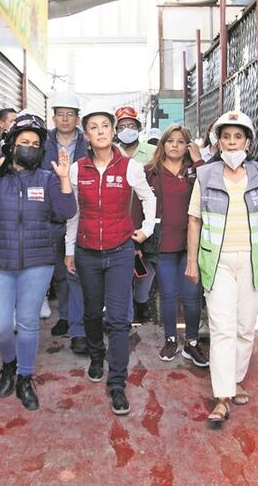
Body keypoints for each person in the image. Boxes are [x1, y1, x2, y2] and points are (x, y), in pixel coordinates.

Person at [0, 113, 76, 410]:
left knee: (27, 323)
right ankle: (9, 364)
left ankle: (25, 376)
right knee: (0, 326)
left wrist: (65, 180)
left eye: (35, 143)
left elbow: (66, 212)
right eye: (23, 141)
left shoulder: (48, 178)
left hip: (38, 262)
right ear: (12, 144)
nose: (29, 147)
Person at [187, 111, 258, 423]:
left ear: (247, 141)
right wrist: (192, 261)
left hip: (255, 259)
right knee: (222, 328)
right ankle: (223, 396)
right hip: (217, 261)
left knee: (245, 327)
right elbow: (194, 220)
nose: (232, 143)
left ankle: (236, 378)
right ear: (218, 143)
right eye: (226, 138)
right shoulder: (205, 175)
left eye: (237, 137)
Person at [65, 104, 156, 416]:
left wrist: (146, 229)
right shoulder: (77, 169)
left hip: (120, 251)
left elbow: (149, 197)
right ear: (86, 134)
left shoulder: (130, 166)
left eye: (105, 125)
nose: (101, 131)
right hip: (87, 251)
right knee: (92, 313)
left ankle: (117, 383)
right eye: (94, 127)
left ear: (113, 131)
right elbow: (73, 214)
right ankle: (95, 355)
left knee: (118, 319)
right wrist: (68, 249)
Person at [144, 125, 208, 366]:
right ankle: (170, 339)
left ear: (187, 146)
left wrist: (198, 160)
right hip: (163, 244)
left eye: (180, 142)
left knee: (192, 296)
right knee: (168, 295)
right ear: (162, 144)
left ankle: (191, 343)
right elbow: (138, 206)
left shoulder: (196, 172)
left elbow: (211, 190)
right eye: (169, 140)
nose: (174, 145)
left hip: (191, 245)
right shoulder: (150, 172)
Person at [42, 93, 90, 354]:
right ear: (54, 117)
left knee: (76, 271)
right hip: (52, 215)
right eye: (60, 114)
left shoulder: (88, 142)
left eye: (70, 114)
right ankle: (65, 315)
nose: (64, 118)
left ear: (77, 118)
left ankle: (78, 323)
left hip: (81, 215)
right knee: (60, 271)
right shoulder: (44, 142)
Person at [115, 106, 157, 325]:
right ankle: (127, 309)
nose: (127, 130)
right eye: (122, 126)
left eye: (131, 125)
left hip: (146, 215)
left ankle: (141, 300)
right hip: (119, 216)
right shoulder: (111, 152)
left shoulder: (151, 153)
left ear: (139, 129)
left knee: (146, 264)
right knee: (121, 267)